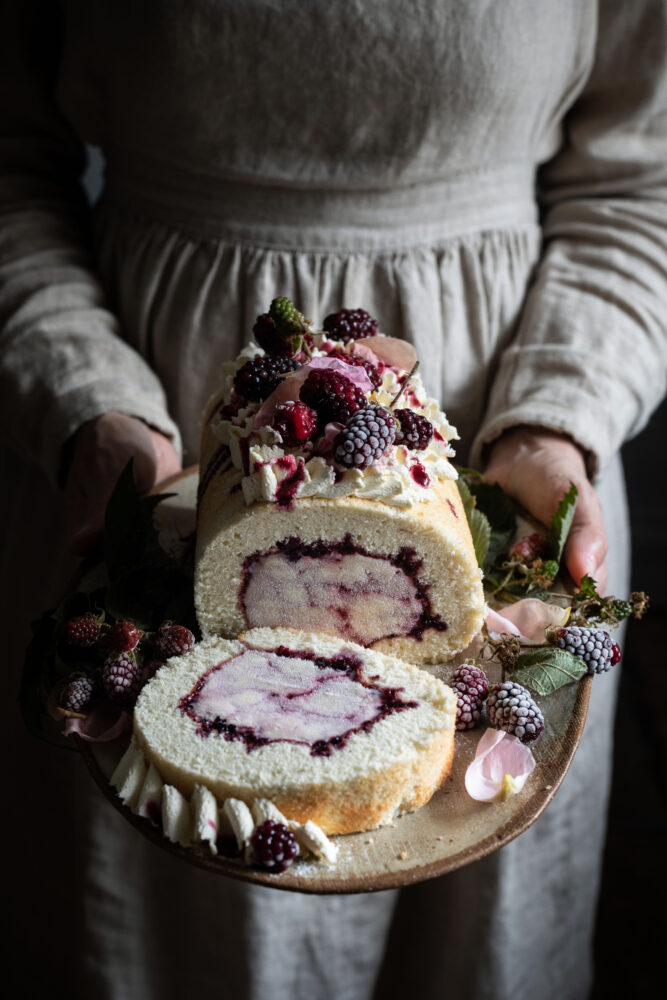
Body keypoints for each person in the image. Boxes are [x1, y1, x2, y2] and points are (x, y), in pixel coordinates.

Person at [2, 2, 666, 998]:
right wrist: (86, 401)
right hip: (152, 440)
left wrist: (560, 414)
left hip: (498, 446)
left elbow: (638, 178)